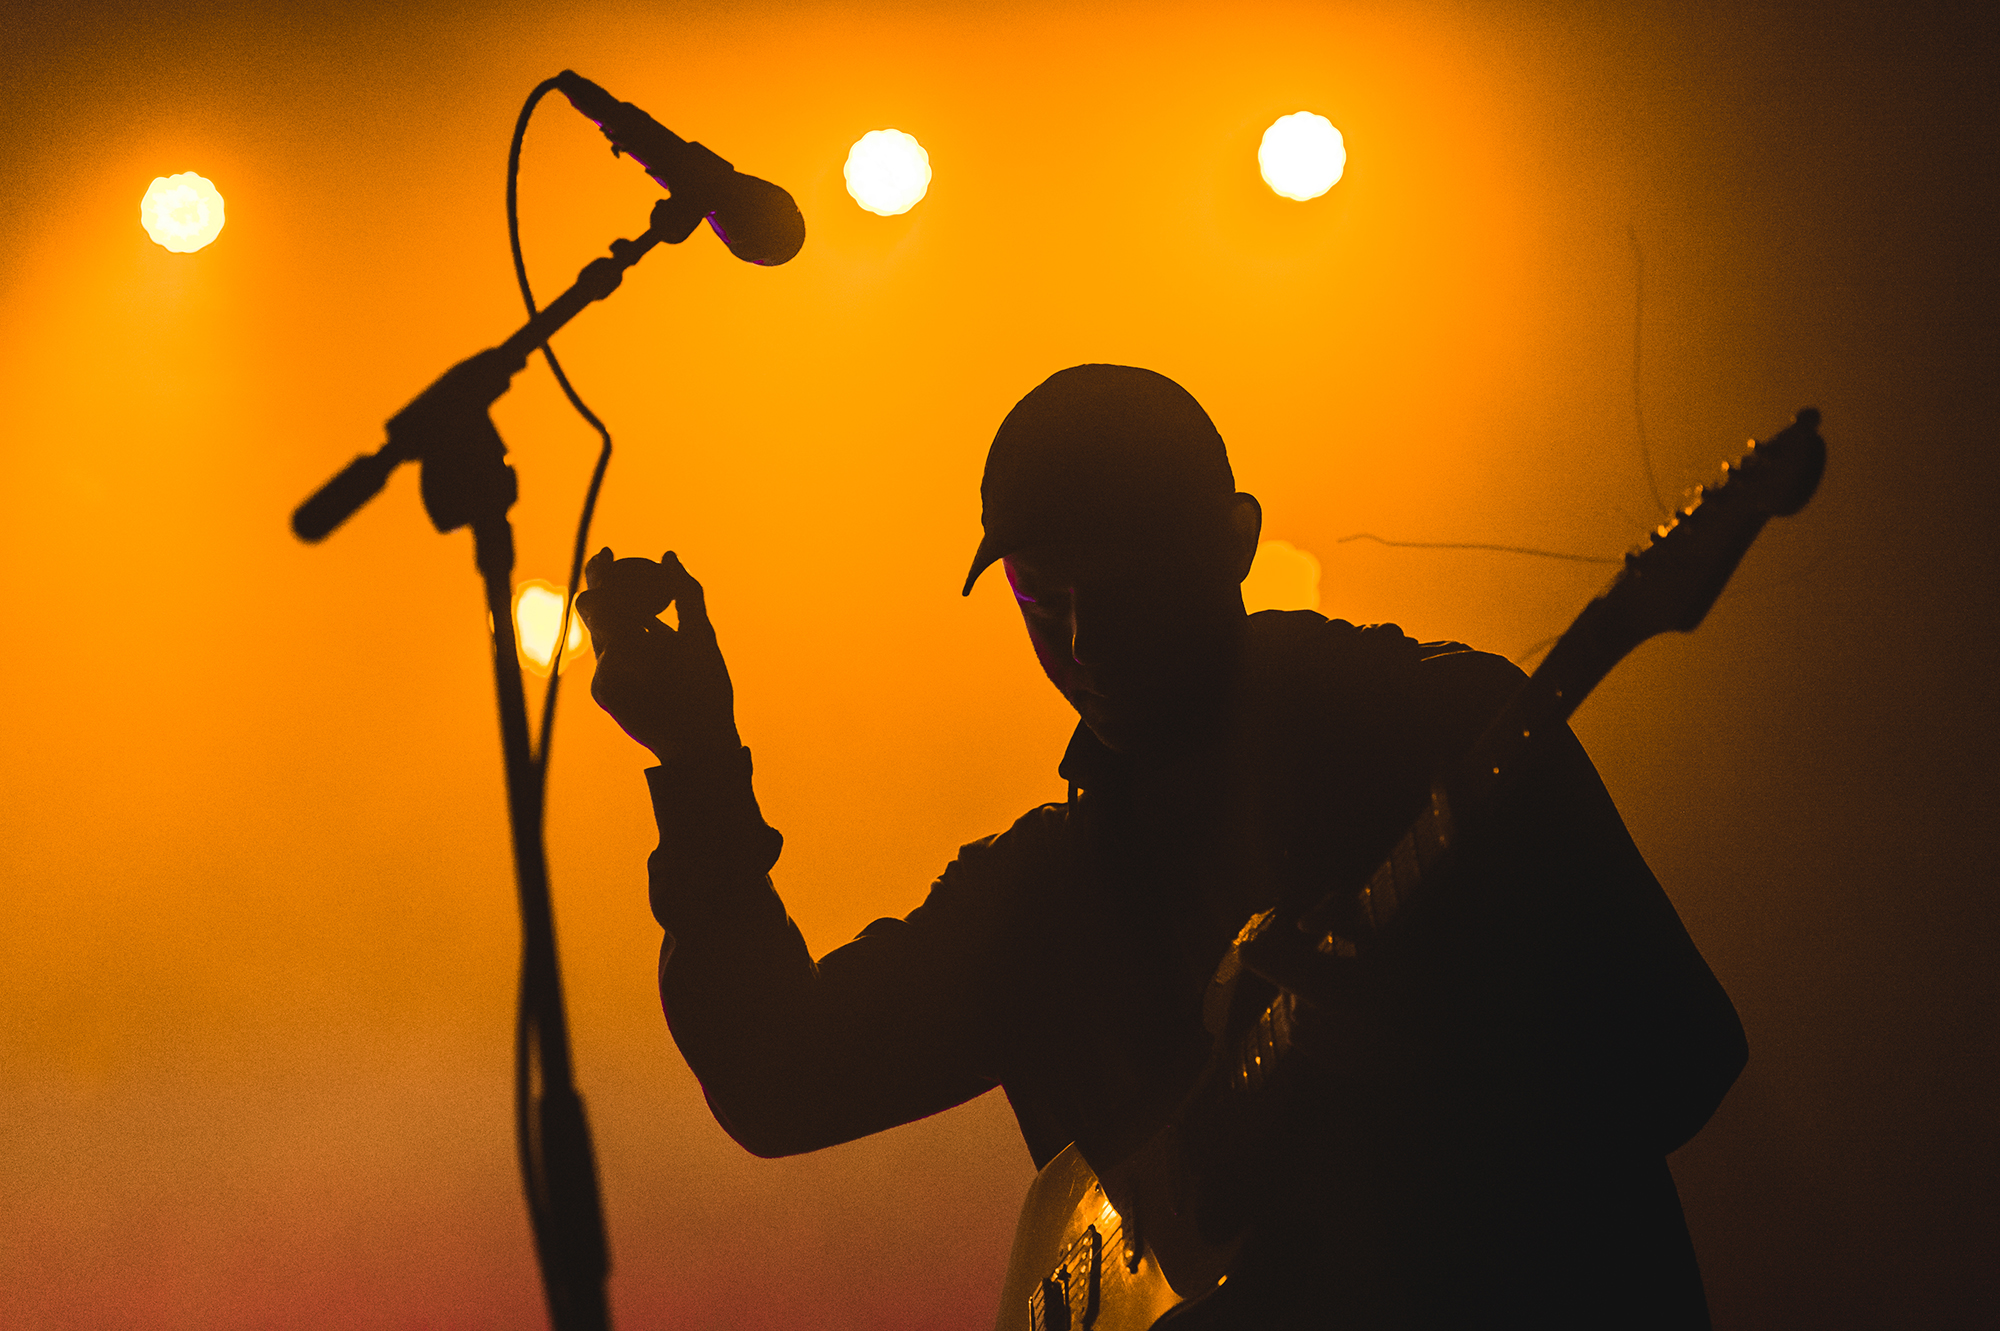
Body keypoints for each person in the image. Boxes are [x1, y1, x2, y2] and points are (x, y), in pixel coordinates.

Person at [575, 364, 1747, 1328]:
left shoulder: (1437, 734)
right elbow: (781, 1077)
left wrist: (1419, 1046)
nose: (1081, 637)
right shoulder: (1043, 891)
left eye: (1122, 582)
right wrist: (697, 763)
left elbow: (1680, 1052)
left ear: (1231, 541)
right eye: (1040, 590)